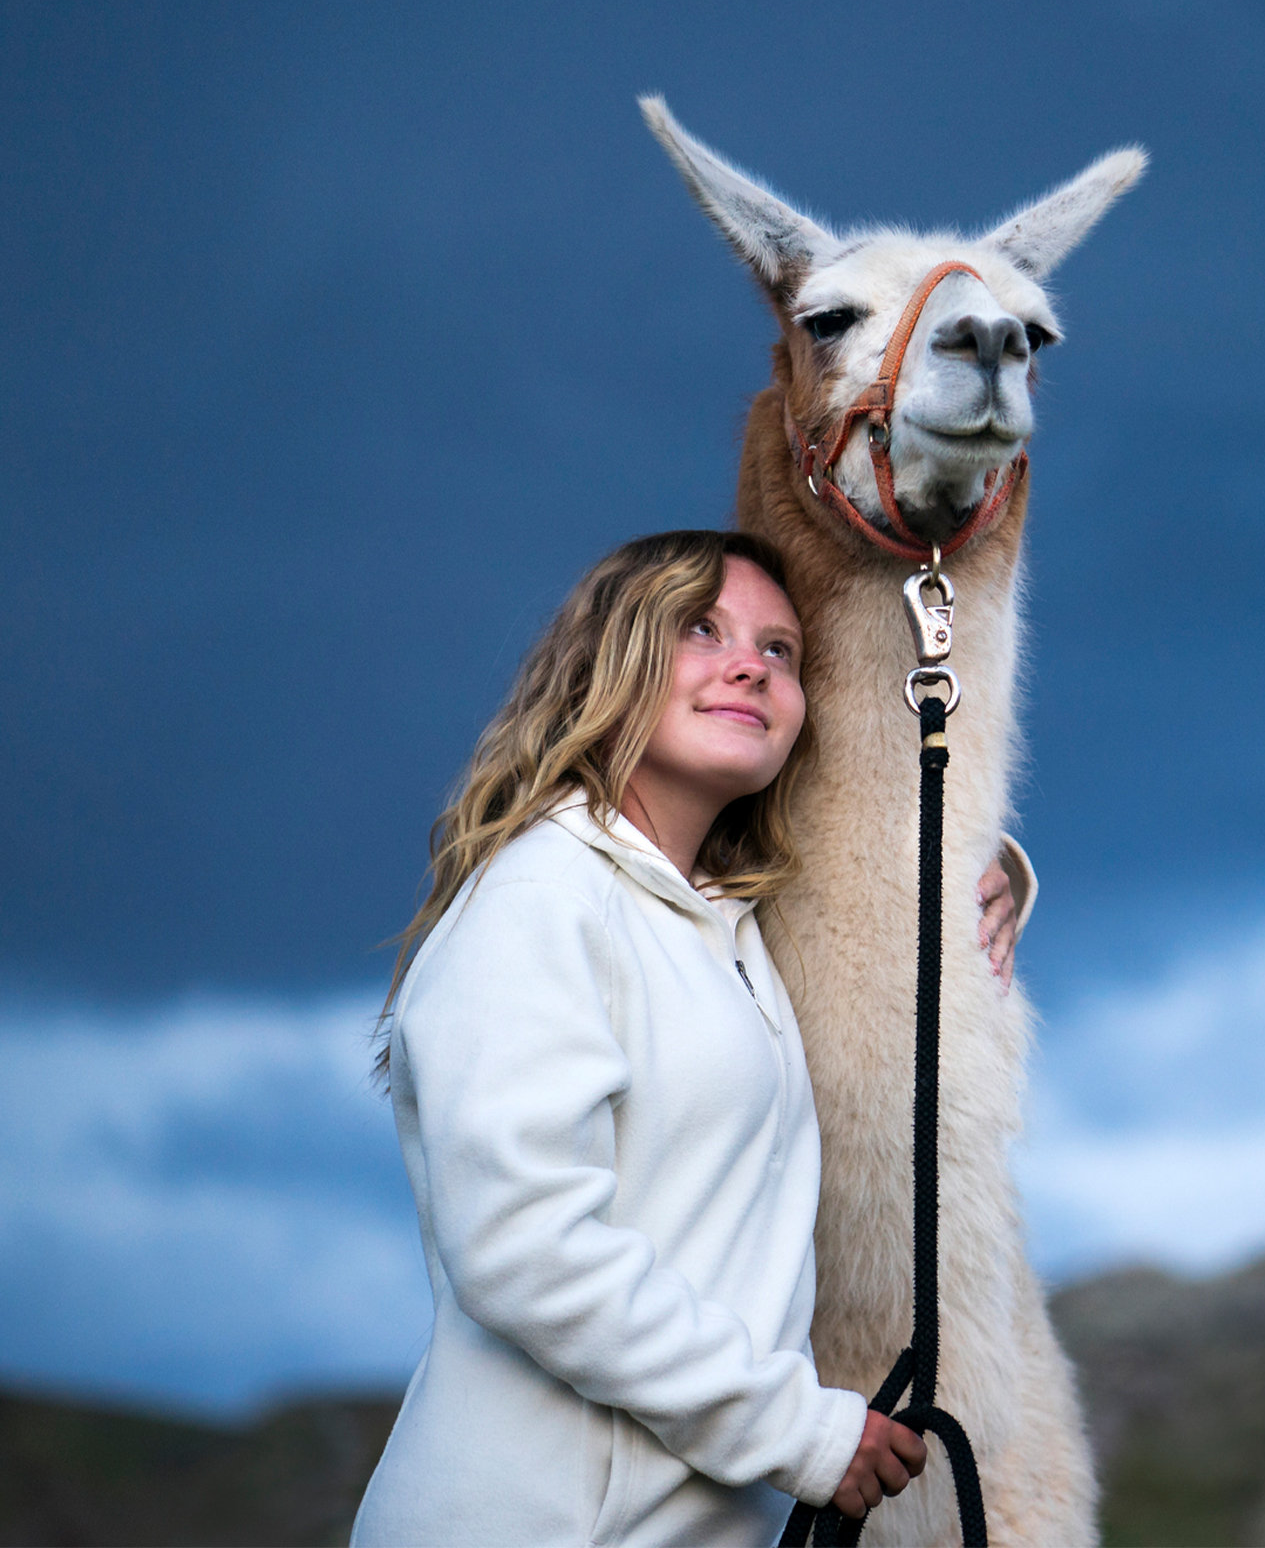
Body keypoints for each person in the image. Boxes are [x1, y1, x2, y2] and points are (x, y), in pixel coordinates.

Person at [351, 530, 1026, 1546]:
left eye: (781, 649)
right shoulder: (541, 899)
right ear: (608, 663)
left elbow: (863, 944)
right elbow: (524, 1249)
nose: (749, 662)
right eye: (700, 630)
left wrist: (985, 870)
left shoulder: (729, 930)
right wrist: (800, 1431)